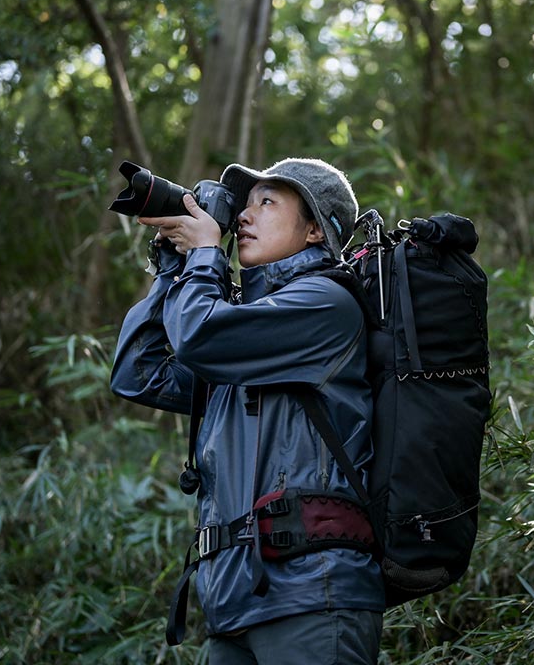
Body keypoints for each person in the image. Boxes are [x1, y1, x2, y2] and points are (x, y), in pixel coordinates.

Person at [110, 158, 384, 664]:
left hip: (312, 596)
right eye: (244, 203)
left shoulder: (325, 305)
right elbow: (137, 371)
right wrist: (176, 267)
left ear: (315, 232)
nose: (243, 216)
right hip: (234, 601)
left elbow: (196, 337)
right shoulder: (245, 331)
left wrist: (207, 255)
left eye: (267, 202)